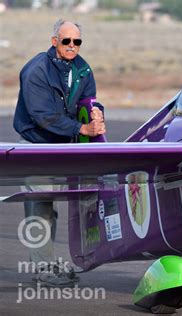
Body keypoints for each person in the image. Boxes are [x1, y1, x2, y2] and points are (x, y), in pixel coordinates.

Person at [13, 19, 106, 287]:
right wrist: (82, 127)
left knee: (92, 195)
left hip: (69, 143)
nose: (72, 46)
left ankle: (85, 256)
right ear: (55, 41)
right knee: (42, 203)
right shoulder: (36, 71)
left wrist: (97, 115)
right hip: (38, 146)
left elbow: (88, 102)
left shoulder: (82, 68)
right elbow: (43, 116)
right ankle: (43, 268)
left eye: (77, 41)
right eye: (67, 41)